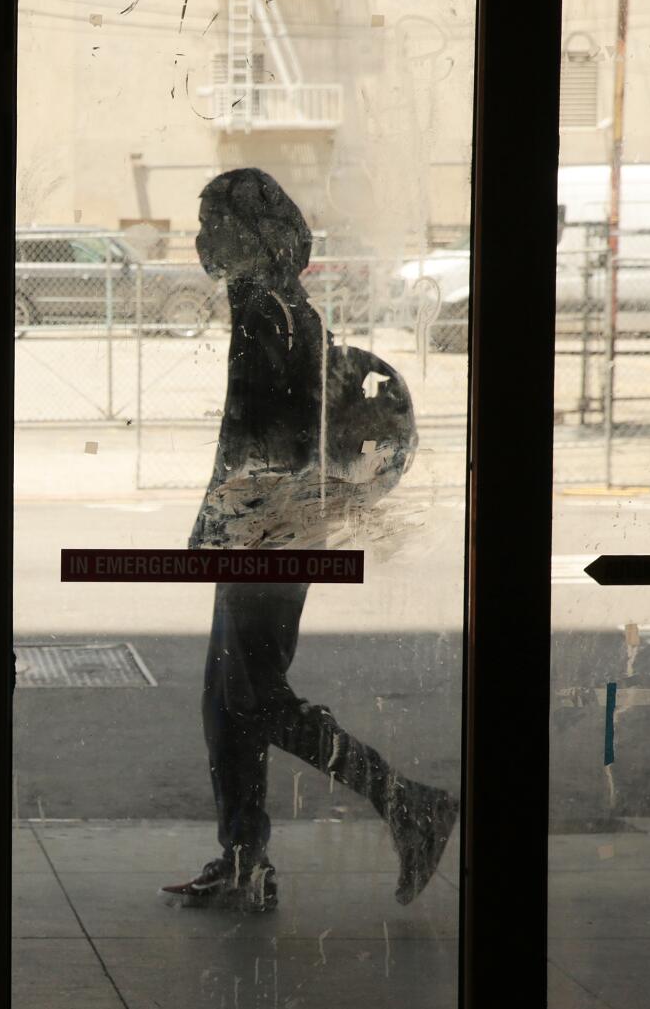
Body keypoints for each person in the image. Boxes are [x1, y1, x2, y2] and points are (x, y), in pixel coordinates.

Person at [163, 168, 457, 914]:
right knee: (225, 702)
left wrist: (227, 527)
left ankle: (406, 802)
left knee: (254, 699)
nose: (200, 240)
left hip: (273, 536)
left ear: (251, 234)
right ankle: (242, 856)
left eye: (212, 224)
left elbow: (269, 445)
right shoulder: (265, 305)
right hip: (264, 535)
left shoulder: (271, 313)